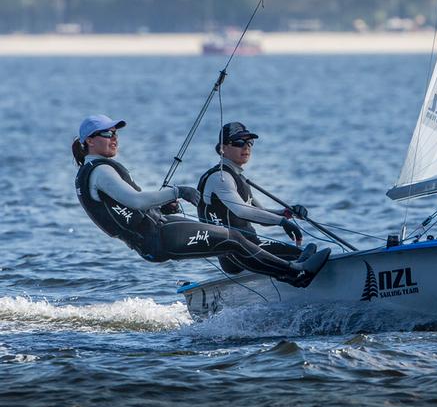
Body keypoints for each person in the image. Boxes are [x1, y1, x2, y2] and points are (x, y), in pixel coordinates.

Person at [71, 115, 329, 287]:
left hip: (156, 233)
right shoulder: (100, 170)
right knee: (233, 239)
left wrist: (163, 206)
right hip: (158, 236)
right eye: (107, 133)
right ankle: (296, 274)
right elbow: (136, 201)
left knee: (232, 242)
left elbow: (129, 206)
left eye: (116, 133)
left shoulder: (95, 170)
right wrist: (178, 192)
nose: (114, 137)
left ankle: (289, 268)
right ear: (90, 141)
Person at [197, 122, 310, 275]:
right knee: (301, 256)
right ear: (222, 148)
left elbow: (260, 214)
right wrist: (281, 222)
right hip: (234, 254)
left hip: (251, 247)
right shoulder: (220, 177)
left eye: (250, 142)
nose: (246, 147)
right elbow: (242, 211)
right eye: (238, 142)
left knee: (303, 254)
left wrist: (286, 213)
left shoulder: (238, 178)